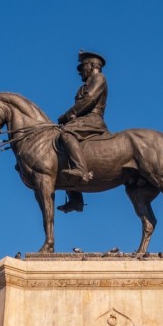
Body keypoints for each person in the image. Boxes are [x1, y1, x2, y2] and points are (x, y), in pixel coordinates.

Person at [56, 50, 109, 214]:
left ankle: (81, 170)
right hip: (82, 120)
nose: (80, 72)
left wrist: (66, 115)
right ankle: (75, 199)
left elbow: (89, 99)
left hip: (92, 120)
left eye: (82, 68)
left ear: (93, 65)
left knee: (65, 134)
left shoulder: (99, 78)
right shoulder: (84, 84)